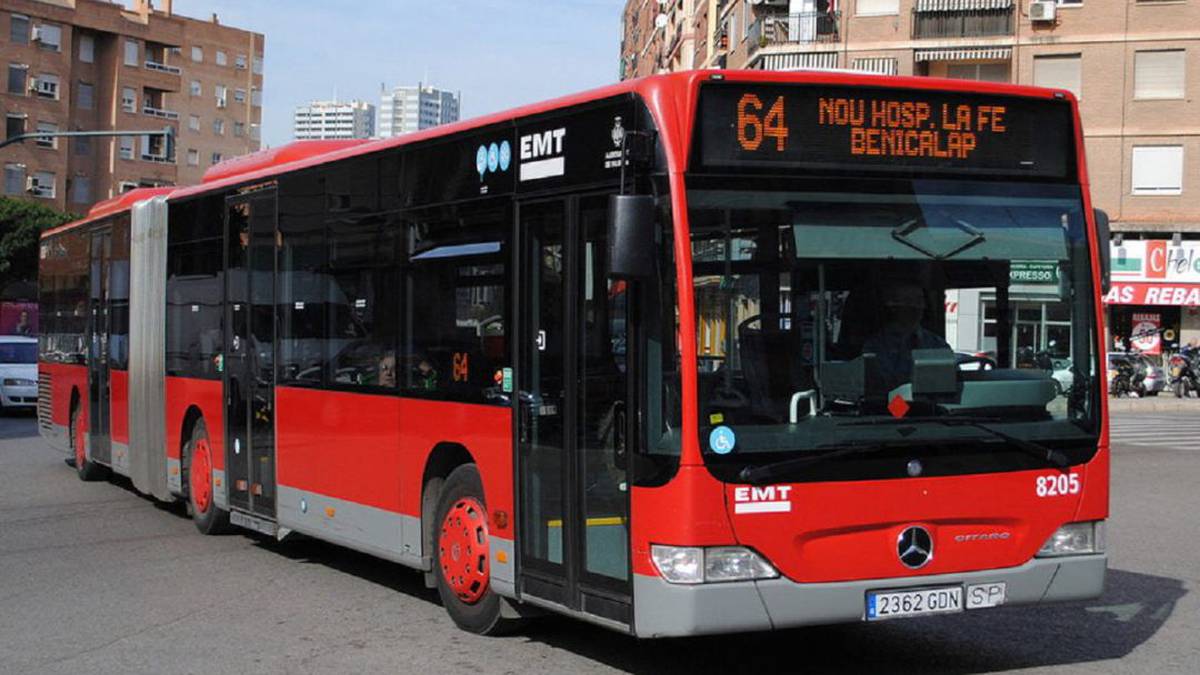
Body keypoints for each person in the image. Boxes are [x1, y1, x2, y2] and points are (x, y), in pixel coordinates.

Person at [861, 283, 951, 391]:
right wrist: (904, 408)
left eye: (919, 301)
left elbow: (949, 384)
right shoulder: (875, 347)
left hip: (932, 406)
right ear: (893, 307)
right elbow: (879, 391)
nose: (915, 308)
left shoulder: (937, 345)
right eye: (907, 301)